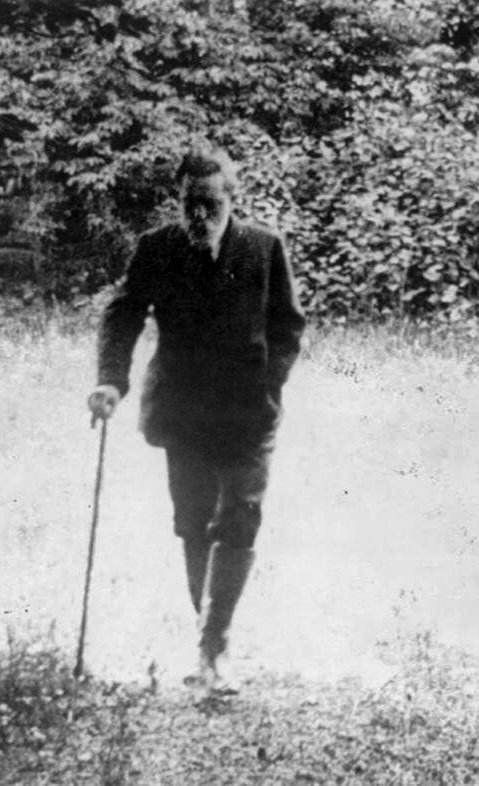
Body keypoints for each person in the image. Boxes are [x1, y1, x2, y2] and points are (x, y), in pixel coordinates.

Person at [87, 145, 306, 692]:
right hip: (183, 410)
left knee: (240, 516)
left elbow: (289, 326)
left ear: (233, 199)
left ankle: (215, 646)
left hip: (247, 411)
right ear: (178, 201)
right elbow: (123, 314)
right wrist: (111, 380)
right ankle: (206, 636)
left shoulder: (263, 248)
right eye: (189, 204)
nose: (199, 217)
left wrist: (269, 384)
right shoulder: (157, 249)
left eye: (210, 204)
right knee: (193, 522)